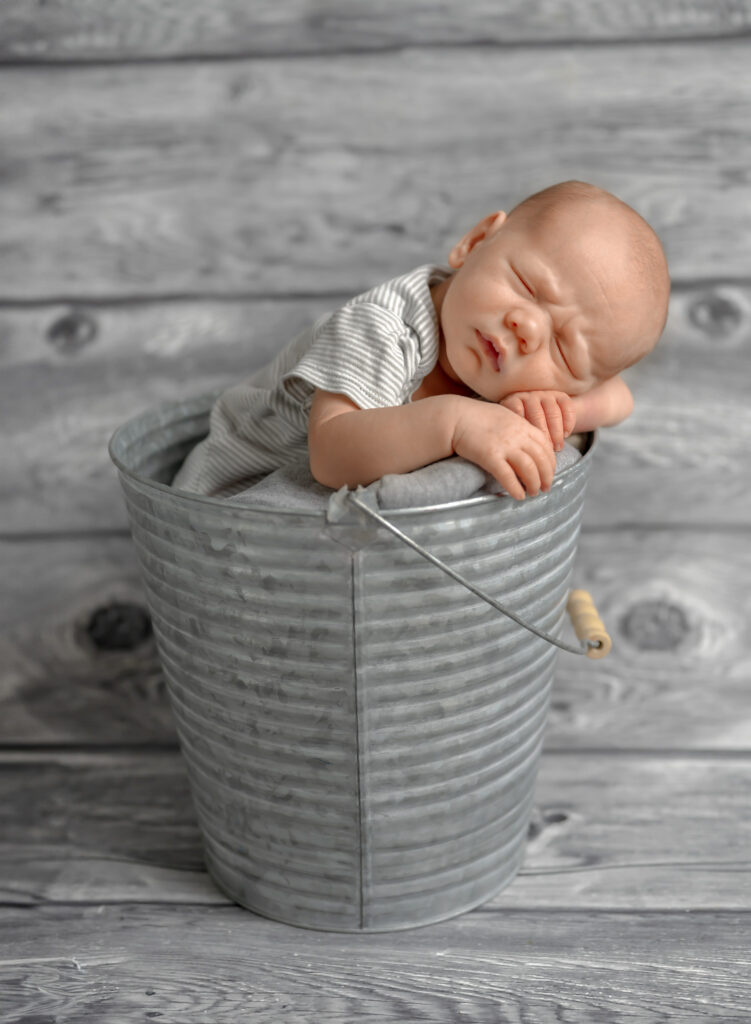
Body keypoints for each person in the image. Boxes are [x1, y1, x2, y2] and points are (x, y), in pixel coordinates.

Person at [172, 181, 670, 502]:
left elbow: (618, 397)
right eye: (527, 286)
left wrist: (553, 410)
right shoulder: (384, 328)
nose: (528, 328)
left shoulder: (511, 368)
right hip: (236, 501)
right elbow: (332, 455)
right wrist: (457, 422)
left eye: (562, 348)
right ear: (474, 244)